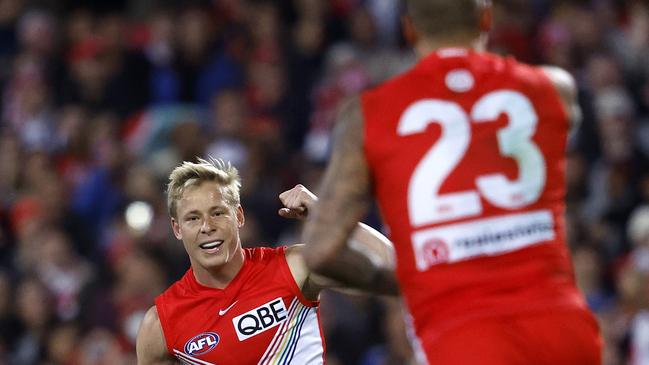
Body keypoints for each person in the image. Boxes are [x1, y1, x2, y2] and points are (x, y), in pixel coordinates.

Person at [301, 1, 602, 364]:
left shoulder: (367, 115)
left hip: (461, 335)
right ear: (486, 19)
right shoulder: (555, 89)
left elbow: (322, 251)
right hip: (562, 327)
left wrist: (415, 279)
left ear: (409, 29)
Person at [135, 158, 396, 365]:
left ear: (238, 216)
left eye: (217, 213)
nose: (207, 227)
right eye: (193, 218)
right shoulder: (161, 325)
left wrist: (323, 213)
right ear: (177, 228)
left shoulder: (293, 268)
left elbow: (391, 262)